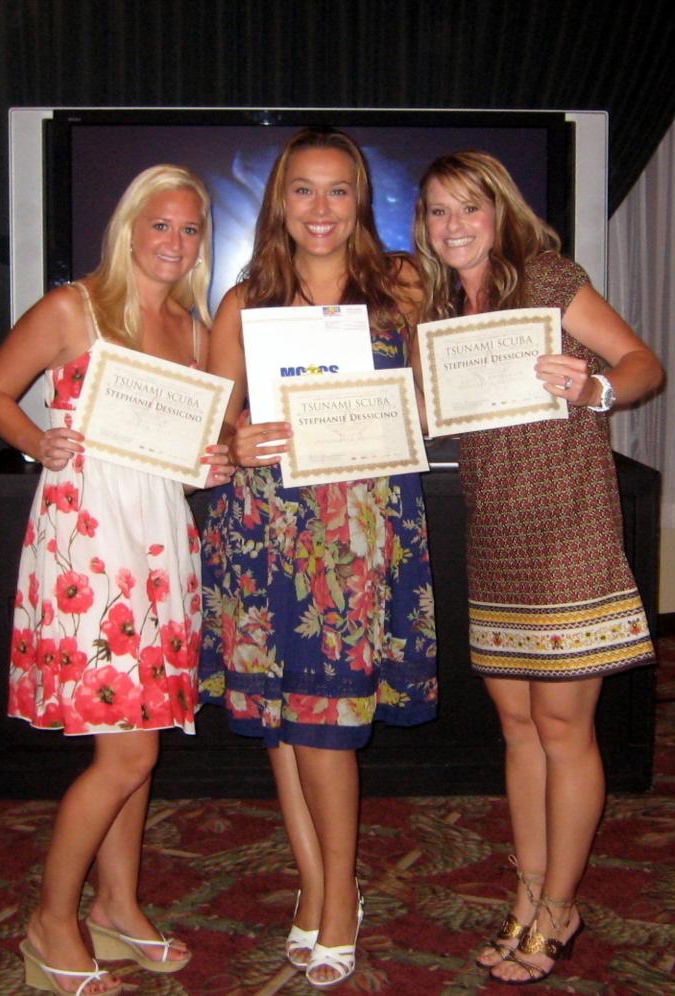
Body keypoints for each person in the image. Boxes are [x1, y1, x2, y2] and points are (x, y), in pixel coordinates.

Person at [0, 164, 233, 995]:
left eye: (190, 229)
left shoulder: (192, 330)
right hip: (88, 545)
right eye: (161, 224)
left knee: (139, 745)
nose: (175, 242)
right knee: (125, 754)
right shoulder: (71, 308)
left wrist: (214, 463)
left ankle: (117, 907)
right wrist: (34, 439)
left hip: (159, 542)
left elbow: (188, 455)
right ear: (128, 227)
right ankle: (53, 921)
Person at [413, 150, 663, 985]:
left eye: (469, 209)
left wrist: (595, 388)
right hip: (497, 534)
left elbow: (643, 366)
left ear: (499, 212)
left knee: (564, 730)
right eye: (439, 211)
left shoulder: (549, 280)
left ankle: (560, 906)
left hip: (567, 532)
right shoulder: (444, 309)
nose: (455, 226)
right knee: (517, 730)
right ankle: (527, 892)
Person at [201, 128, 437, 989]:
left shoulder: (402, 284)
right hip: (266, 532)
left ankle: (340, 896)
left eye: (339, 191)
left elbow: (442, 389)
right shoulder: (242, 301)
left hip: (359, 537)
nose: (322, 209)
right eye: (304, 190)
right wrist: (239, 435)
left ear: (360, 201)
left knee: (328, 727)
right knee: (284, 723)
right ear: (280, 202)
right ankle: (316, 886)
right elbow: (216, 420)